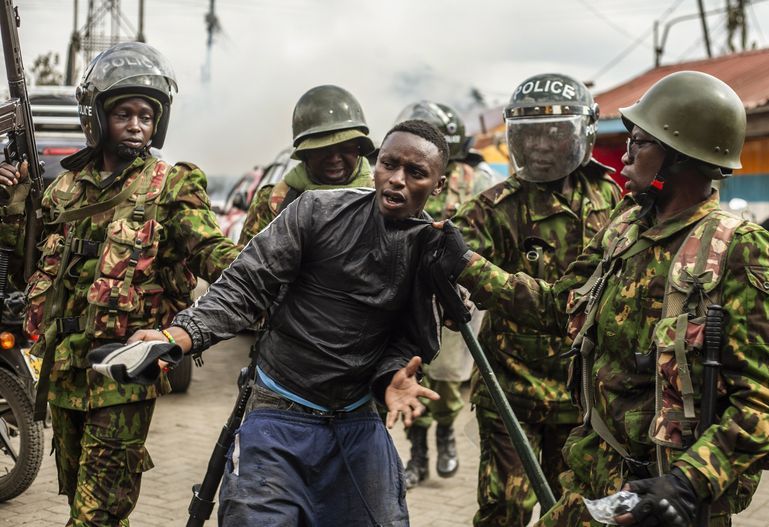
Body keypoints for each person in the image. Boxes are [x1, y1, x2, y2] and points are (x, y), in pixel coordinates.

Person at [432, 71, 769, 526]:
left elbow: (761, 402)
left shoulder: (739, 248)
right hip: (596, 475)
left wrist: (685, 484)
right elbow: (559, 307)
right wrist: (466, 264)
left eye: (639, 143)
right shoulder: (625, 227)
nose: (624, 154)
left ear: (678, 155)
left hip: (659, 495)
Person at [130, 120, 452, 526]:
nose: (397, 180)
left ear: (438, 185)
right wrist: (182, 333)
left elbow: (413, 339)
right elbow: (247, 283)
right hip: (280, 413)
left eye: (417, 173)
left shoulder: (432, 249)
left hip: (357, 421)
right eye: (389, 164)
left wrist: (391, 375)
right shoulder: (316, 211)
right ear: (376, 165)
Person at [0, 42, 240, 526]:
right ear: (96, 118)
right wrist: (9, 201)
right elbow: (25, 270)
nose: (136, 125)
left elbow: (214, 253)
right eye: (123, 113)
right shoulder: (63, 189)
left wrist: (266, 273)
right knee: (84, 504)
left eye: (146, 116)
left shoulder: (170, 186)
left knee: (96, 515)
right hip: (64, 373)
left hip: (124, 375)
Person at [450, 73, 621, 525]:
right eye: (530, 134)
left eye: (554, 132)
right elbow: (445, 260)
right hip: (511, 386)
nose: (542, 146)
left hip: (580, 391)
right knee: (505, 507)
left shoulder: (609, 195)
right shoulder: (494, 207)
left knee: (569, 511)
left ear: (580, 134)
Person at [393, 100, 496, 488]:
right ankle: (416, 455)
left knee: (450, 380)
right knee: (411, 374)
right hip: (408, 297)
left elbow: (487, 237)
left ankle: (446, 436)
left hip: (455, 297)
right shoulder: (401, 176)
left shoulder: (475, 181)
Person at [237, 84, 376, 246]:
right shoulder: (275, 202)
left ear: (358, 149)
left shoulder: (382, 198)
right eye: (323, 150)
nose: (334, 159)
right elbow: (248, 266)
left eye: (345, 149)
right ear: (305, 155)